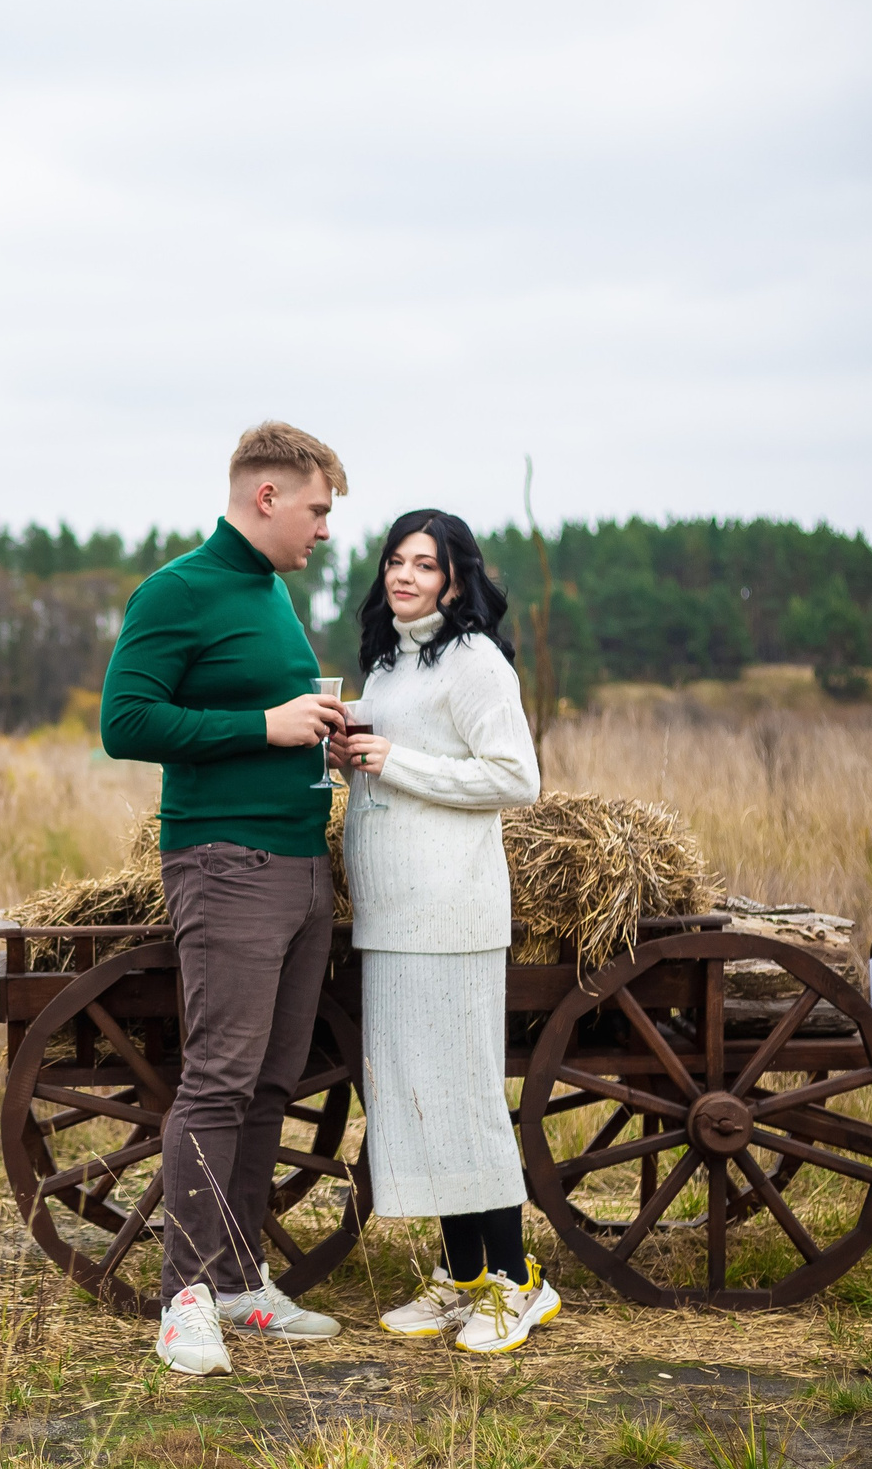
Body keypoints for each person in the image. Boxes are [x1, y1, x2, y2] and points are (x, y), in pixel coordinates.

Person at [100, 420, 351, 1376]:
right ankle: (185, 1301)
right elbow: (125, 721)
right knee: (217, 1081)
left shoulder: (271, 595)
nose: (324, 529)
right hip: (225, 864)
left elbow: (268, 728)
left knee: (271, 1085)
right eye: (318, 509)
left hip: (297, 868)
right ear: (267, 497)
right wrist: (264, 723)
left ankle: (243, 1283)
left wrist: (316, 735)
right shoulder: (178, 590)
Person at [337, 510, 558, 1354]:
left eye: (423, 565)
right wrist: (352, 750)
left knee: (463, 1097)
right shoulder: (392, 663)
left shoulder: (474, 661)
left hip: (451, 914)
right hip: (390, 915)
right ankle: (461, 1279)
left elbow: (515, 776)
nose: (404, 575)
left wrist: (395, 760)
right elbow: (396, 751)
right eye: (395, 560)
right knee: (415, 1099)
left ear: (456, 579)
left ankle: (515, 1282)